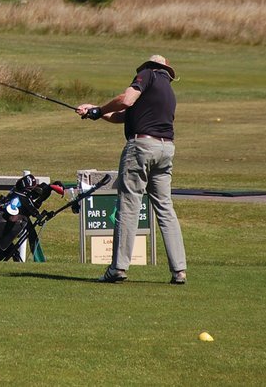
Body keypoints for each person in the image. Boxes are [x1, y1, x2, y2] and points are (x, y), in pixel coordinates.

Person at [76, 55, 188, 285]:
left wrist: (99, 109)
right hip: (165, 150)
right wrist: (95, 112)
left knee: (129, 206)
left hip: (141, 148)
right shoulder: (167, 90)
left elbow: (126, 100)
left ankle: (118, 267)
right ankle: (179, 270)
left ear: (150, 67)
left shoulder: (148, 75)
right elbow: (122, 116)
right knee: (165, 208)